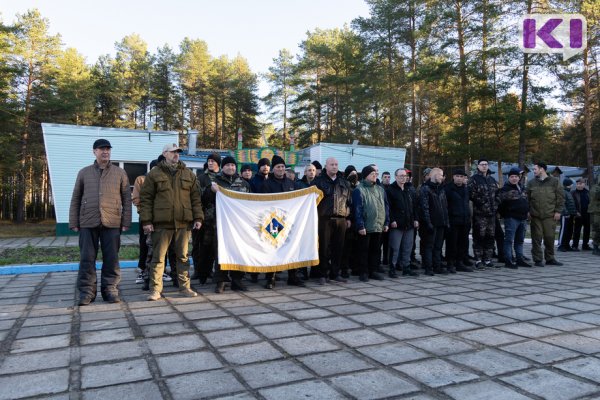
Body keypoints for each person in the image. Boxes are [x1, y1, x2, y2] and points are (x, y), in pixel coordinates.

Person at [69, 139, 132, 306]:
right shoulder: (84, 172)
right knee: (86, 258)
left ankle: (110, 289)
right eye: (101, 149)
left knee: (112, 258)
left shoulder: (120, 173)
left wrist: (126, 221)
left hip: (112, 221)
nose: (105, 152)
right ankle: (86, 292)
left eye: (108, 149)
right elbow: (76, 197)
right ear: (94, 152)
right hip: (87, 222)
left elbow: (127, 198)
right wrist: (74, 221)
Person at [140, 143, 204, 301]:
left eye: (178, 152)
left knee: (182, 257)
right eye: (173, 152)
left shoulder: (188, 174)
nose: (176, 154)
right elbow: (146, 199)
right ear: (164, 153)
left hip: (183, 224)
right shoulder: (154, 174)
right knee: (158, 258)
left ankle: (185, 287)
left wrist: (198, 217)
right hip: (161, 224)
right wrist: (146, 220)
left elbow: (195, 198)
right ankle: (156, 290)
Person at [207, 156, 252, 293]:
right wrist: (211, 191)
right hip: (220, 224)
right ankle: (221, 281)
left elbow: (250, 202)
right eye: (227, 165)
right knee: (220, 252)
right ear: (222, 167)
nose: (230, 167)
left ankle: (237, 280)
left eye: (233, 165)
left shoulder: (244, 184)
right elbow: (205, 200)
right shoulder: (215, 182)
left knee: (238, 250)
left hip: (239, 225)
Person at [262, 155, 305, 288]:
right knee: (273, 249)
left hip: (289, 221)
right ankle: (271, 278)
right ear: (273, 169)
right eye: (278, 167)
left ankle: (293, 276)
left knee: (292, 247)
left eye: (282, 167)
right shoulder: (266, 184)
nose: (281, 169)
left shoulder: (292, 184)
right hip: (273, 221)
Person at [311, 157, 352, 284]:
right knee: (323, 248)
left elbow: (349, 203)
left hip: (341, 220)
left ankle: (335, 273)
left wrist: (348, 218)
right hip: (324, 220)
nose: (334, 166)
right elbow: (312, 202)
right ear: (326, 166)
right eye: (332, 164)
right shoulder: (318, 182)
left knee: (338, 248)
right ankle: (322, 274)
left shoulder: (344, 182)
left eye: (336, 164)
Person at [352, 165, 389, 282]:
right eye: (372, 174)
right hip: (366, 226)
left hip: (378, 225)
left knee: (376, 250)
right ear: (366, 175)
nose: (375, 176)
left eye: (376, 174)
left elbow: (386, 207)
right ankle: (363, 272)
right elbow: (357, 209)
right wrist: (360, 225)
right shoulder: (359, 189)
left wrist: (386, 222)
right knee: (363, 250)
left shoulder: (380, 189)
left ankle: (373, 271)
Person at [526, 162, 564, 267]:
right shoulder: (531, 183)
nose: (533, 171)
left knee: (549, 237)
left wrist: (558, 211)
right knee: (536, 238)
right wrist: (528, 211)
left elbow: (560, 198)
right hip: (535, 215)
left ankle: (550, 258)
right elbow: (527, 199)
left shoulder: (554, 182)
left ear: (542, 169)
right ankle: (538, 259)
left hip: (550, 215)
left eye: (535, 169)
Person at [192, 152, 221, 284]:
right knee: (202, 247)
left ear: (218, 164)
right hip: (205, 219)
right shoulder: (201, 178)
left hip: (221, 219)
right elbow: (196, 198)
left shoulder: (222, 178)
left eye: (213, 161)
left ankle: (216, 273)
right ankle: (201, 272)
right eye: (209, 161)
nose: (210, 163)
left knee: (218, 248)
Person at [386, 168, 419, 278]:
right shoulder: (390, 190)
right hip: (396, 224)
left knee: (407, 247)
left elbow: (414, 206)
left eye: (404, 176)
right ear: (395, 177)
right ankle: (392, 268)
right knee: (395, 248)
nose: (403, 178)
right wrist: (392, 220)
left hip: (409, 224)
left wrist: (415, 219)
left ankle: (406, 268)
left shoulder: (409, 189)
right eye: (400, 176)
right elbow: (388, 207)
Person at [468, 158, 499, 270]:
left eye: (486, 164)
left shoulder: (492, 180)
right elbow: (471, 194)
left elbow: (497, 194)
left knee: (490, 237)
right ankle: (478, 259)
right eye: (482, 164)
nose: (484, 166)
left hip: (492, 215)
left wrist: (496, 204)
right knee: (479, 237)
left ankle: (488, 259)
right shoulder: (474, 179)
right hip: (480, 215)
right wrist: (482, 203)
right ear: (478, 166)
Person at [498, 168, 531, 269]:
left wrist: (527, 211)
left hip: (523, 218)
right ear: (508, 178)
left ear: (519, 178)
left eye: (516, 176)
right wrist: (506, 214)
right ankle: (508, 260)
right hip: (511, 218)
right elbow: (500, 204)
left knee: (520, 240)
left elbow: (526, 201)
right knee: (509, 240)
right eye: (512, 177)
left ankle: (519, 259)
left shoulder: (522, 188)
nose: (514, 178)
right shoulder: (505, 189)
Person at [419, 168, 449, 276]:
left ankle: (437, 266)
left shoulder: (441, 189)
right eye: (441, 175)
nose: (442, 177)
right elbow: (424, 207)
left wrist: (446, 221)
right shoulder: (425, 189)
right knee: (429, 246)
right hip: (431, 223)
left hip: (441, 223)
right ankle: (429, 267)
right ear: (435, 175)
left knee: (438, 246)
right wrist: (428, 223)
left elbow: (445, 206)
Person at [444, 168, 473, 273]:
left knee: (463, 243)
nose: (459, 178)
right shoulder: (447, 189)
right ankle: (450, 263)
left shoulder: (466, 189)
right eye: (457, 176)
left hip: (464, 221)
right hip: (453, 221)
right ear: (453, 177)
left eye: (462, 177)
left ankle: (459, 263)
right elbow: (444, 206)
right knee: (452, 243)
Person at [558, 178, 577, 252]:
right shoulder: (563, 192)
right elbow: (562, 204)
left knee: (569, 230)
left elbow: (570, 204)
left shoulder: (568, 192)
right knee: (564, 230)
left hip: (571, 215)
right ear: (569, 185)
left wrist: (574, 213)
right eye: (571, 184)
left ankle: (566, 245)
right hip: (565, 215)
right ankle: (560, 245)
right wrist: (566, 213)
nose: (572, 185)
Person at [572, 178, 591, 251]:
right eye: (577, 184)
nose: (578, 185)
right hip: (578, 214)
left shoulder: (587, 192)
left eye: (580, 184)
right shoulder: (573, 193)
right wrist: (575, 212)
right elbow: (572, 204)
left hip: (587, 214)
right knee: (577, 230)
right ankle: (575, 245)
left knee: (587, 230)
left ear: (584, 184)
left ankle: (585, 245)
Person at [588, 174, 600, 256]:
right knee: (596, 230)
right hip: (596, 212)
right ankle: (595, 247)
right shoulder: (595, 188)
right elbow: (596, 196)